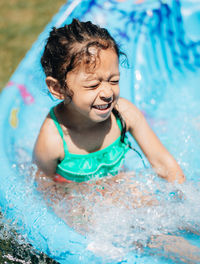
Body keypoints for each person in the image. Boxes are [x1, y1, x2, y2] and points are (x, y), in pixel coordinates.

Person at [33, 18, 185, 185]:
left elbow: (163, 164)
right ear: (57, 88)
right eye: (93, 85)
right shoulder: (52, 139)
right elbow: (43, 187)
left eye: (114, 81)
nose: (107, 92)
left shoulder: (124, 114)